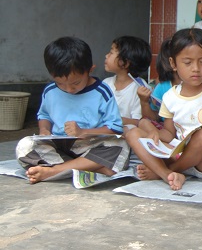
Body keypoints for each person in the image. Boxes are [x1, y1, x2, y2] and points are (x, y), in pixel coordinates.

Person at [126, 28, 202, 190]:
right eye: (187, 63)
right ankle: (169, 175)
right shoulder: (170, 96)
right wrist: (153, 131)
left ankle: (166, 172)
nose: (195, 68)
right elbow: (169, 134)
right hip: (180, 155)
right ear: (173, 63)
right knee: (133, 133)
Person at [15, 37, 129, 184]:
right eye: (60, 83)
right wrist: (44, 130)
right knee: (24, 146)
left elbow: (115, 128)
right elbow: (44, 115)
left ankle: (56, 170)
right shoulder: (50, 91)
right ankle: (87, 166)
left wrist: (83, 132)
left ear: (90, 70)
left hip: (91, 144)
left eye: (75, 83)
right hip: (60, 147)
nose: (69, 89)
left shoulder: (102, 92)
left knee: (120, 145)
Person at [103, 36, 152, 129]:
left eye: (111, 52)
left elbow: (139, 122)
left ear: (125, 62)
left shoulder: (141, 89)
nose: (106, 55)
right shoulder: (105, 83)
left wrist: (117, 120)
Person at [136, 38, 182, 126]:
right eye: (188, 62)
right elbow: (154, 118)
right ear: (171, 63)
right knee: (143, 124)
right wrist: (144, 102)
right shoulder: (162, 87)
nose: (195, 68)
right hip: (168, 130)